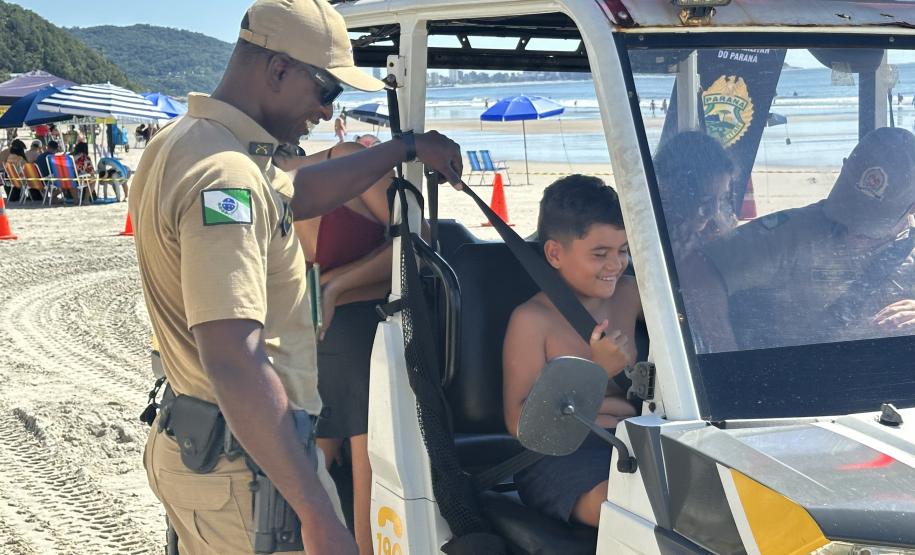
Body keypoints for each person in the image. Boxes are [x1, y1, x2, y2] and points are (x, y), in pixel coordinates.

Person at [129, 1, 463, 553]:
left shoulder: (192, 141)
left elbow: (300, 194)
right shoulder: (226, 178)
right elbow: (234, 356)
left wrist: (401, 148)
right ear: (279, 69)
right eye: (326, 91)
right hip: (249, 467)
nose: (326, 111)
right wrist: (316, 511)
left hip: (219, 450)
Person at [684, 127, 915, 352]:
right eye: (848, 211)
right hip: (803, 382)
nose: (853, 232)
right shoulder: (794, 234)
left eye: (868, 224)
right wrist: (727, 359)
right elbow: (698, 271)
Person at [503, 175, 642, 527]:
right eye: (600, 254)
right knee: (632, 507)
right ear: (554, 253)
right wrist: (597, 371)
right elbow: (522, 425)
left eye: (623, 250)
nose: (615, 265)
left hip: (636, 440)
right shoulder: (533, 320)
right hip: (562, 455)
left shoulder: (631, 295)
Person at [279, 140, 394, 554]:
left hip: (339, 333)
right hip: (331, 335)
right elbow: (416, 242)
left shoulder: (338, 163)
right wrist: (335, 286)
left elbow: (415, 244)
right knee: (347, 479)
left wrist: (334, 284)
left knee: (328, 478)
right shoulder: (252, 183)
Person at [653, 131, 736, 261]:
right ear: (675, 191)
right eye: (705, 199)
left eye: (721, 199)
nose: (714, 211)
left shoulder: (713, 232)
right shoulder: (650, 240)